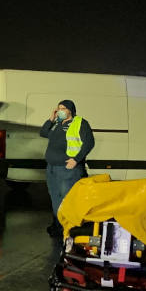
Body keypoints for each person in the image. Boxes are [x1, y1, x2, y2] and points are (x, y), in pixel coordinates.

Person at [39, 99, 94, 235]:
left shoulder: (80, 123)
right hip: (52, 168)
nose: (60, 111)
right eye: (58, 108)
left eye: (63, 108)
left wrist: (76, 159)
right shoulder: (58, 123)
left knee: (67, 199)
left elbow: (89, 143)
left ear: (70, 110)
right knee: (55, 198)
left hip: (67, 170)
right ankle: (58, 226)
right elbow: (43, 132)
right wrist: (51, 119)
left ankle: (69, 228)